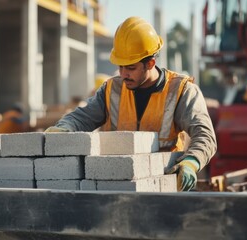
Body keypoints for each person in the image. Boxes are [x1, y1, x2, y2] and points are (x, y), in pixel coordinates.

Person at [45, 17, 217, 191]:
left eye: (131, 68)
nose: (123, 74)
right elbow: (82, 117)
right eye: (120, 67)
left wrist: (191, 162)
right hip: (117, 187)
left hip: (165, 188)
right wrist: (64, 127)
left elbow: (205, 136)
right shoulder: (112, 89)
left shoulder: (181, 90)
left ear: (150, 63)